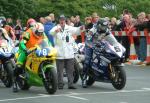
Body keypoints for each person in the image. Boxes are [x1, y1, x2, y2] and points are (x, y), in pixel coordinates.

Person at [50, 14, 84, 89]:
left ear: (65, 20)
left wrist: (81, 28)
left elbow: (77, 31)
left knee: (70, 70)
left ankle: (70, 84)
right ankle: (60, 84)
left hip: (69, 53)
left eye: (63, 20)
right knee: (60, 71)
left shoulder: (69, 28)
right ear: (59, 21)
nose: (62, 21)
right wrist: (56, 31)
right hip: (59, 53)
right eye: (61, 20)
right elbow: (51, 33)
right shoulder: (56, 27)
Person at [82, 19, 119, 88]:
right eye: (103, 26)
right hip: (90, 45)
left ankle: (104, 70)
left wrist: (116, 45)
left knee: (107, 54)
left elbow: (112, 39)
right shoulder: (92, 30)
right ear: (99, 26)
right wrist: (93, 46)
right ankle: (84, 78)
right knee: (87, 60)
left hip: (100, 44)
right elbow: (88, 40)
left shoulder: (106, 30)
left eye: (106, 26)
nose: (105, 28)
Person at [12, 22, 48, 92]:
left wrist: (49, 46)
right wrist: (25, 49)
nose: (40, 34)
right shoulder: (28, 33)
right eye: (38, 32)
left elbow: (47, 41)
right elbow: (22, 42)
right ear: (35, 30)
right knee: (19, 66)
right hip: (26, 50)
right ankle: (14, 83)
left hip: (38, 50)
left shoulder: (42, 33)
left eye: (41, 33)